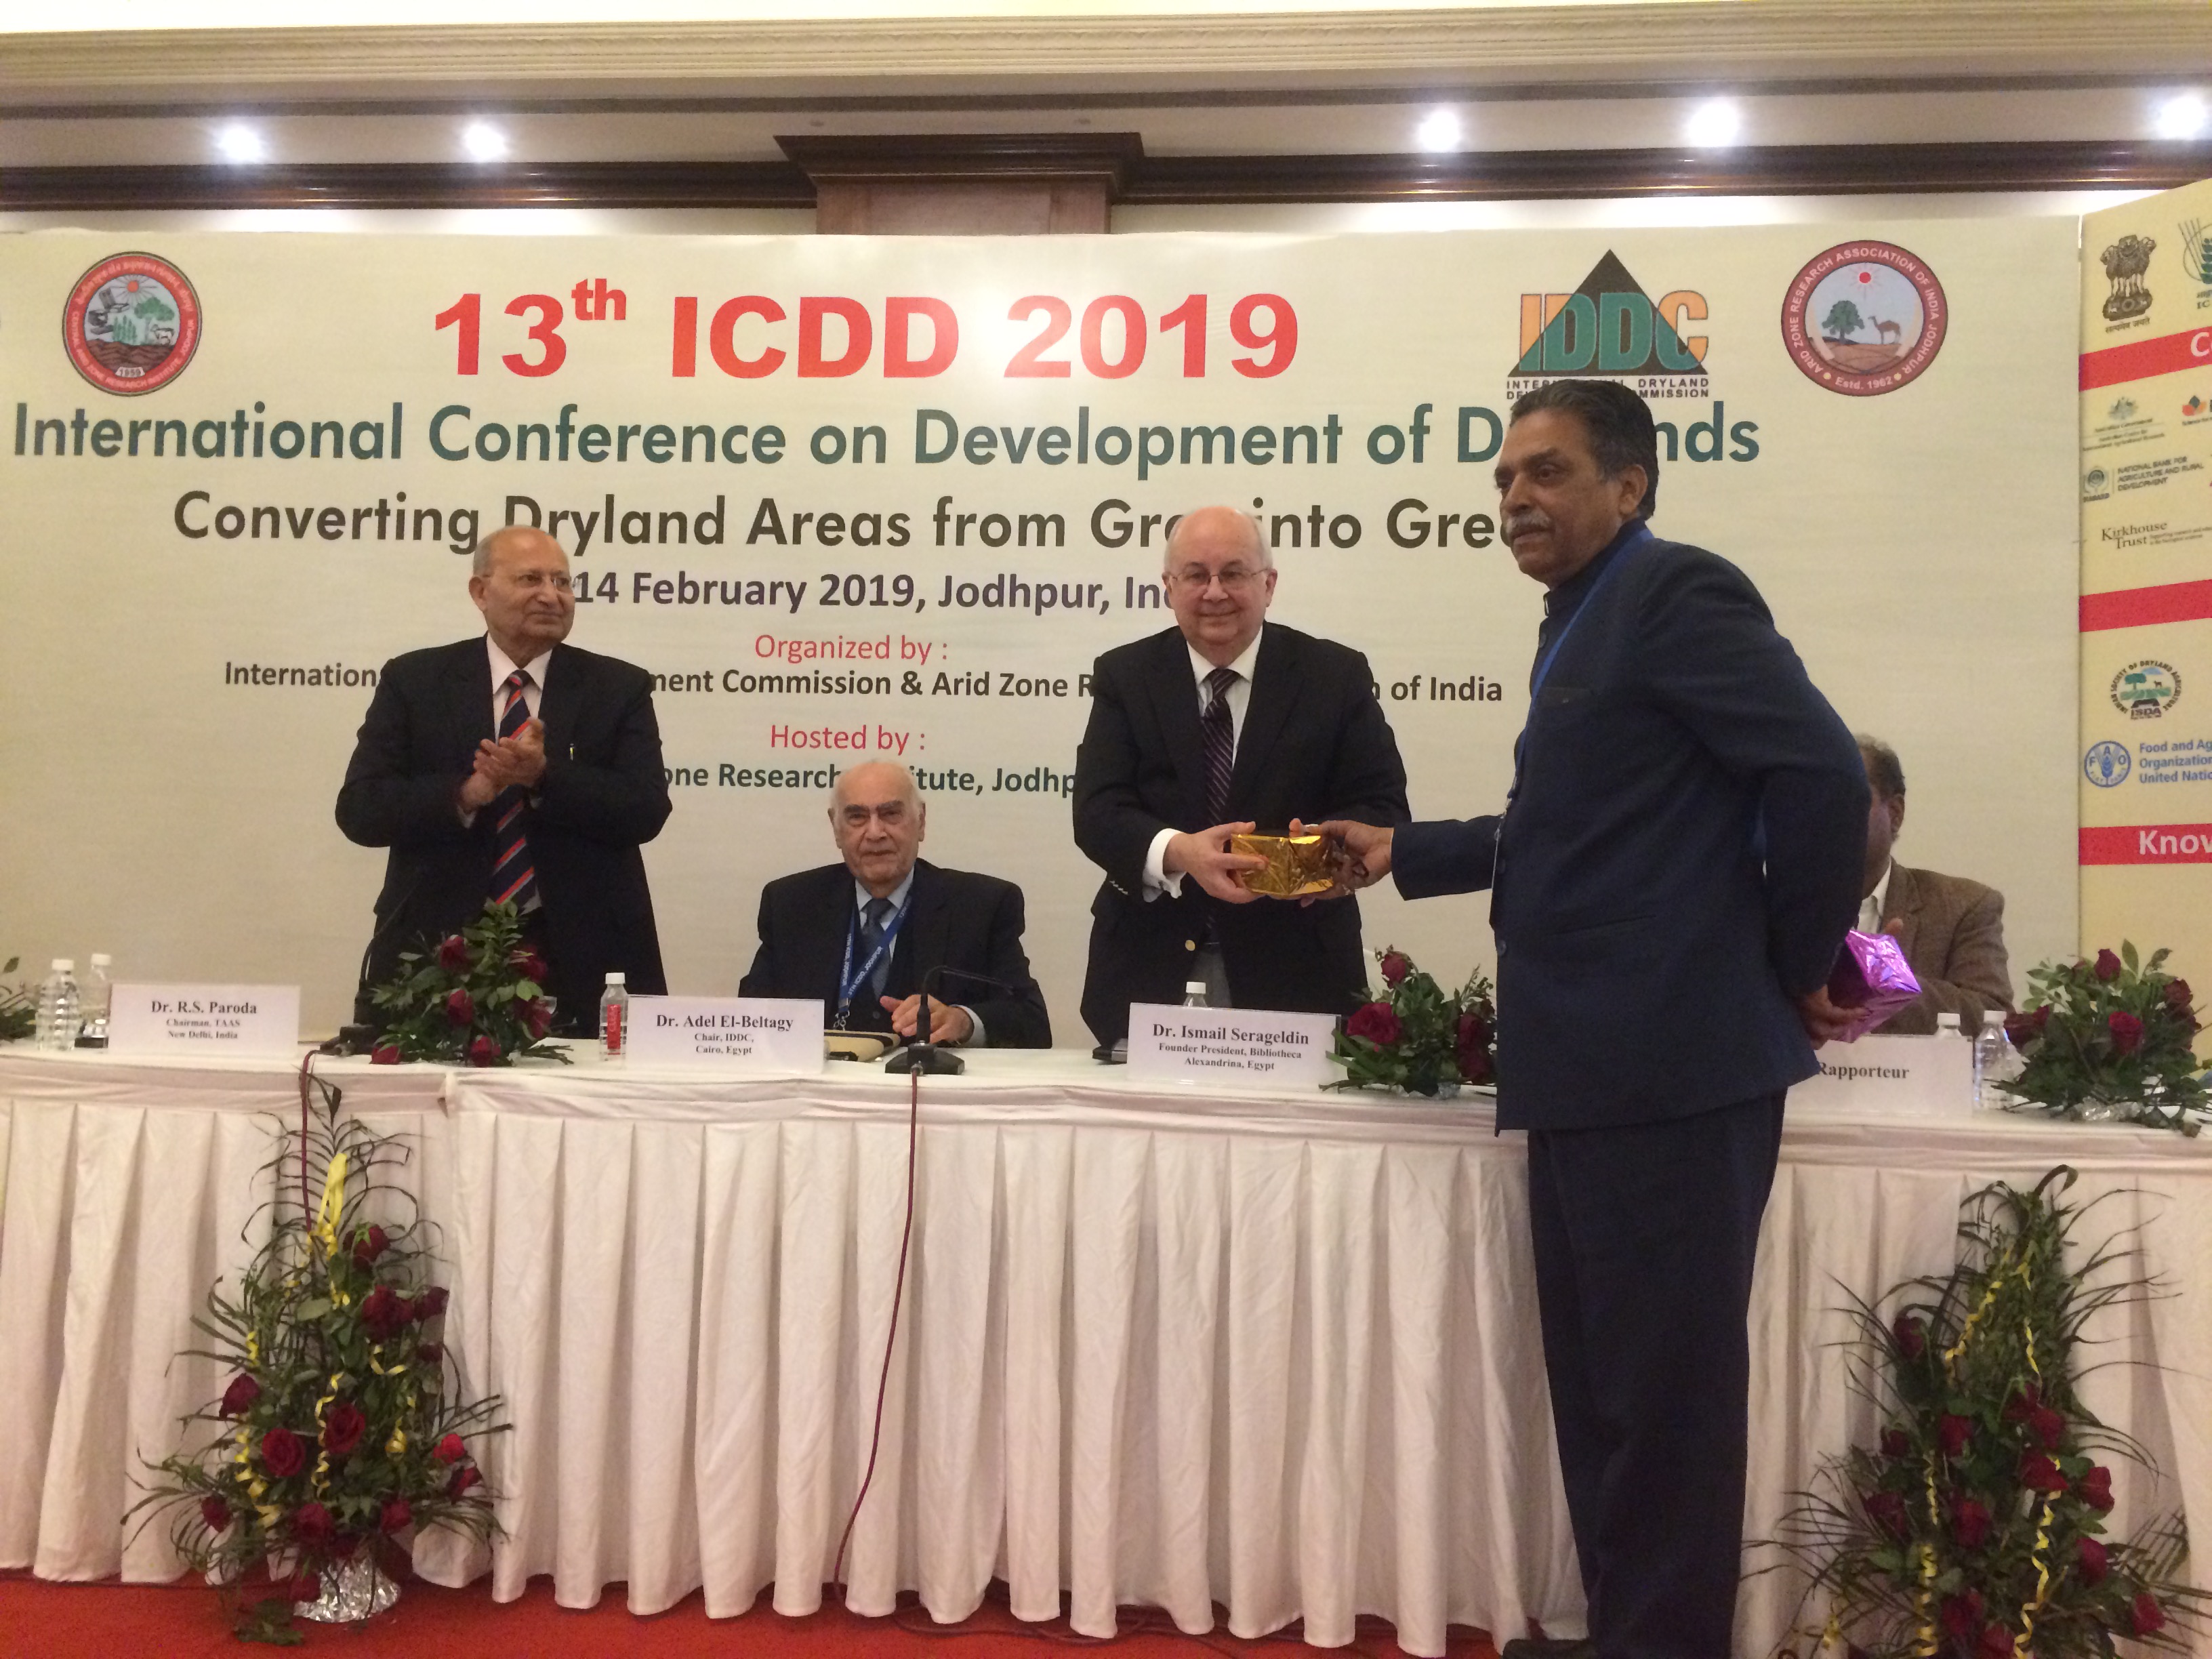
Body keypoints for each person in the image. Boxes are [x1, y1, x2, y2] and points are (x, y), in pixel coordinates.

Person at [1315, 382, 1868, 1659]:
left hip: (1671, 1065)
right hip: (1587, 1064)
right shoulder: (1581, 618)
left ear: (1630, 485)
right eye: (1504, 479)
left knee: (1664, 1402)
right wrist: (1404, 850)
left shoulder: (1673, 592)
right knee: (1604, 1386)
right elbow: (1572, 831)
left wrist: (1799, 963)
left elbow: (1822, 770)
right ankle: (1629, 1628)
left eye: (1547, 472)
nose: (1516, 498)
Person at [1071, 504, 1410, 1044]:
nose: (1214, 592)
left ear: (1268, 584)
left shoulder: (1334, 676)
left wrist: (1320, 861)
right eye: (1196, 575)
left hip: (1297, 973)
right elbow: (1097, 812)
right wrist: (1182, 853)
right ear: (1168, 587)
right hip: (1147, 965)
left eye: (1233, 573)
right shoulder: (1125, 675)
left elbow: (1383, 807)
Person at [337, 525, 671, 1033]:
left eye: (562, 582)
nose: (552, 596)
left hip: (584, 953)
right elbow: (361, 810)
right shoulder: (416, 681)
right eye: (531, 579)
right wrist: (466, 793)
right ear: (480, 591)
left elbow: (646, 808)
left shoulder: (618, 687)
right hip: (437, 949)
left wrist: (544, 777)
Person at [740, 760, 1050, 1048]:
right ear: (836, 828)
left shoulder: (981, 906)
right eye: (857, 817)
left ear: (921, 821)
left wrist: (962, 1021)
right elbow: (749, 1021)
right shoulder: (792, 905)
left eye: (890, 814)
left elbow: (1033, 1023)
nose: (875, 833)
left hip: (929, 1086)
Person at [1856, 735, 2014, 1033]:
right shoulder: (1781, 907)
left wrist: (1885, 980)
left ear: (1895, 813)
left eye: (1849, 798)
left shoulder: (1964, 906)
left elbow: (1991, 1017)